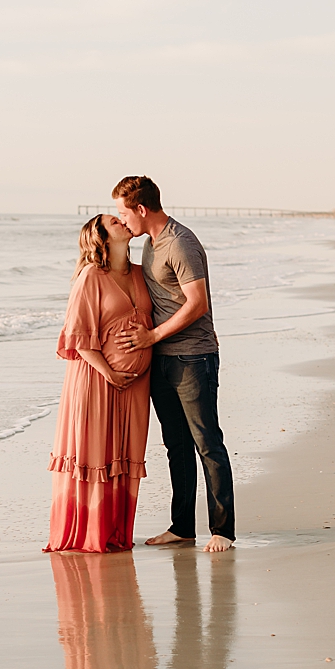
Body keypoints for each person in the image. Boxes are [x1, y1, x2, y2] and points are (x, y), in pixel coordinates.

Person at [112, 175, 235, 551]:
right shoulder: (150, 243)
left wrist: (151, 336)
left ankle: (222, 531)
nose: (122, 220)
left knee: (206, 442)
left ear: (141, 209)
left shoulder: (180, 243)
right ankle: (182, 526)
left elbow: (198, 304)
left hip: (193, 356)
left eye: (123, 212)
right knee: (176, 446)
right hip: (163, 359)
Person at [45, 213, 152, 553]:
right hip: (96, 381)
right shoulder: (91, 276)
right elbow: (77, 338)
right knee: (96, 453)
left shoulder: (139, 273)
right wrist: (109, 372)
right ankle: (90, 531)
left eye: (122, 216)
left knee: (124, 453)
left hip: (135, 385)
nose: (122, 219)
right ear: (101, 237)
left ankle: (117, 531)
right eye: (113, 220)